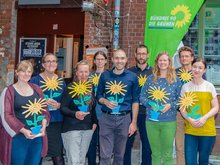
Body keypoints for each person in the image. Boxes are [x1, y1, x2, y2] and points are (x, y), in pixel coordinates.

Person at [0, 60, 50, 165]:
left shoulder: (37, 89)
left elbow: (44, 110)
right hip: (18, 138)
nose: (26, 74)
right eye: (23, 71)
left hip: (37, 137)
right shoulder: (8, 91)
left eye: (29, 71)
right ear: (16, 72)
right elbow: (6, 116)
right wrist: (23, 131)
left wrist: (43, 126)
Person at [96, 49, 139, 165]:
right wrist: (105, 101)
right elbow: (98, 96)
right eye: (117, 58)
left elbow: (135, 101)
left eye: (122, 58)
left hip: (124, 119)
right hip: (106, 118)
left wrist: (133, 122)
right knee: (104, 155)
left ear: (126, 60)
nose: (119, 61)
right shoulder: (105, 76)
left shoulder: (133, 77)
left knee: (120, 156)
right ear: (112, 60)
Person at [140, 52, 182, 165]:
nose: (162, 62)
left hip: (169, 121)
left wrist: (170, 105)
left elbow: (180, 99)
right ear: (157, 62)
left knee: (168, 154)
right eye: (160, 60)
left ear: (169, 63)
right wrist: (150, 104)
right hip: (151, 121)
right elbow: (142, 97)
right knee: (155, 153)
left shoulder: (176, 80)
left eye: (165, 60)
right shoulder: (150, 79)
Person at [180, 58, 219, 165]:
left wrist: (204, 118)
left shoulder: (209, 86)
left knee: (203, 161)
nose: (197, 70)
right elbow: (182, 108)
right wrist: (190, 120)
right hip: (190, 130)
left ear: (204, 70)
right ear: (191, 68)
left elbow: (216, 107)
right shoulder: (185, 87)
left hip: (207, 130)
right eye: (195, 67)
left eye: (200, 67)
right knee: (190, 162)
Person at [30, 53, 66, 165]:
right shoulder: (35, 80)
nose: (51, 63)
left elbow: (66, 101)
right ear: (43, 64)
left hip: (56, 122)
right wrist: (43, 102)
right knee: (37, 155)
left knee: (58, 156)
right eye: (48, 61)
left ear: (56, 64)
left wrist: (60, 105)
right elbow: (28, 99)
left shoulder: (61, 81)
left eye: (54, 61)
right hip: (39, 122)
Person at [61, 60, 97, 165]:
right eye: (81, 72)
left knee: (81, 161)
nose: (83, 74)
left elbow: (92, 107)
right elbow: (63, 108)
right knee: (74, 162)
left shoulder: (91, 87)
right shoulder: (70, 87)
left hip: (87, 128)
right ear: (76, 72)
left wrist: (95, 122)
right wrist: (75, 114)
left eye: (86, 72)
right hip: (72, 128)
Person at [124, 44, 152, 165]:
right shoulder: (128, 72)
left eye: (143, 54)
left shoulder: (153, 72)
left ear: (148, 55)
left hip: (148, 113)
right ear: (135, 55)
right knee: (127, 143)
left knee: (147, 144)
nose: (141, 56)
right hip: (131, 113)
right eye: (139, 53)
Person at [87, 51, 108, 165]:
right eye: (97, 59)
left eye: (102, 59)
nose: (100, 61)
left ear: (105, 61)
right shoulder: (89, 75)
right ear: (94, 61)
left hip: (104, 112)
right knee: (91, 140)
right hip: (91, 112)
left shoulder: (109, 75)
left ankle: (102, 162)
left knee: (103, 141)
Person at [175, 46, 195, 165]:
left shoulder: (197, 71)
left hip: (194, 112)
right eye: (182, 56)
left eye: (187, 56)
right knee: (179, 145)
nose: (184, 58)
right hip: (179, 113)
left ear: (192, 58)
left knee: (192, 145)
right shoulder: (175, 72)